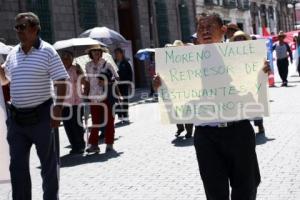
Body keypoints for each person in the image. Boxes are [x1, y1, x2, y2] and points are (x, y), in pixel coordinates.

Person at [153, 13, 270, 200]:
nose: (205, 32)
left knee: (247, 186)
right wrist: (162, 88)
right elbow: (178, 102)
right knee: (215, 190)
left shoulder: (242, 57)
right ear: (196, 34)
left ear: (223, 30)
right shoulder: (183, 65)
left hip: (238, 130)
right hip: (206, 136)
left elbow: (253, 91)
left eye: (210, 27)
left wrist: (261, 73)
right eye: (201, 28)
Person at [0, 12, 69, 200]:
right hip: (17, 121)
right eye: (17, 27)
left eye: (22, 27)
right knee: (17, 167)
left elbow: (61, 81)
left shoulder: (48, 51)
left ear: (35, 29)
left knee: (48, 165)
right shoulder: (14, 53)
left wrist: (58, 108)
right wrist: (0, 71)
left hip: (42, 117)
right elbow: (5, 81)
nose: (18, 31)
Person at [84, 44, 119, 153]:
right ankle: (94, 144)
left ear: (101, 53)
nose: (96, 53)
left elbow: (116, 78)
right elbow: (87, 81)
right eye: (94, 51)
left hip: (106, 96)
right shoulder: (87, 65)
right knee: (95, 122)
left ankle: (109, 144)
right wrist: (85, 94)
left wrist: (107, 82)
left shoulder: (107, 63)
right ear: (91, 54)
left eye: (98, 51)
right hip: (93, 97)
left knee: (109, 120)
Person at [231, 31, 266, 135]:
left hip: (253, 82)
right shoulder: (231, 54)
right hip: (239, 83)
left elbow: (260, 64)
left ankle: (260, 125)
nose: (239, 40)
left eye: (241, 38)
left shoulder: (253, 52)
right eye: (237, 39)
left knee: (255, 104)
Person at [60, 51, 86, 154]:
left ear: (72, 59)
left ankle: (81, 145)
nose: (65, 59)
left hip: (76, 103)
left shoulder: (76, 69)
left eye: (68, 57)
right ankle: (74, 145)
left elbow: (84, 82)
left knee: (77, 125)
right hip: (64, 103)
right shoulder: (59, 71)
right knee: (68, 125)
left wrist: (81, 73)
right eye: (64, 58)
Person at [96, 72, 122, 152]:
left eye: (100, 81)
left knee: (110, 126)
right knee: (107, 126)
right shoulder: (104, 87)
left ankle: (109, 145)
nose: (98, 83)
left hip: (110, 109)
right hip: (105, 109)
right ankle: (109, 144)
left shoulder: (109, 87)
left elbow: (108, 98)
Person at [114, 47, 133, 123]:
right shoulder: (113, 62)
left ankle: (125, 116)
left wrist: (130, 84)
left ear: (121, 54)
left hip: (124, 84)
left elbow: (130, 74)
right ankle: (120, 115)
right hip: (116, 85)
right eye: (115, 54)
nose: (116, 55)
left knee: (124, 100)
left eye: (118, 53)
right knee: (117, 101)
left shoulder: (126, 63)